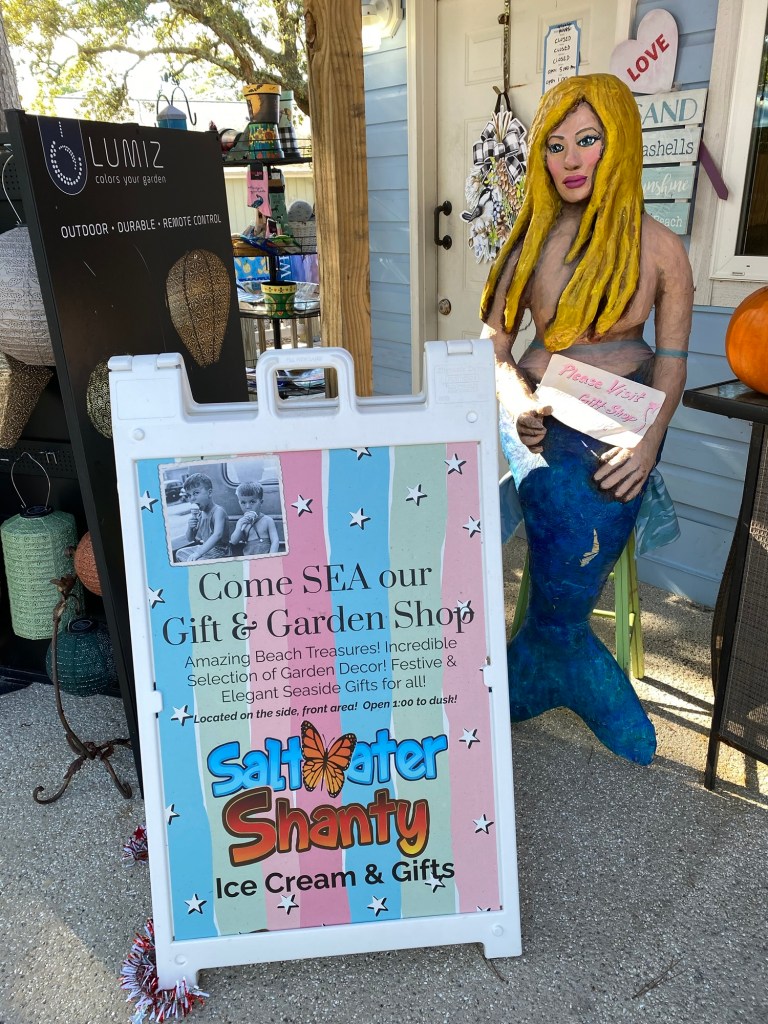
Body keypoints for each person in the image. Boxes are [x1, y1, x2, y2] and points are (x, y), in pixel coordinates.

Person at [480, 73, 693, 765]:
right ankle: (556, 656)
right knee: (558, 502)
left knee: (599, 503)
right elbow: (493, 346)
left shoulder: (662, 250)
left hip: (621, 435)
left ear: (620, 144)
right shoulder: (529, 242)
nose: (570, 159)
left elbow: (671, 361)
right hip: (543, 427)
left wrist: (649, 444)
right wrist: (518, 409)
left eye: (589, 140)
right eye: (556, 145)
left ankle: (560, 657)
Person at [175, 473, 230, 563]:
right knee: (180, 552)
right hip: (205, 550)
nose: (192, 498)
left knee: (197, 560)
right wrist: (190, 527)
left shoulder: (218, 511)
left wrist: (197, 553)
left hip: (221, 551)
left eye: (196, 493)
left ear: (209, 493)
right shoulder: (200, 515)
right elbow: (190, 539)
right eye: (189, 495)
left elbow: (217, 535)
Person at [229, 481, 279, 556]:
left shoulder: (267, 520)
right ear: (239, 503)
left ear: (261, 502)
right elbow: (233, 541)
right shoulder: (241, 522)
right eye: (243, 503)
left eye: (252, 502)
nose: (248, 506)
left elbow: (275, 540)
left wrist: (271, 557)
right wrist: (239, 526)